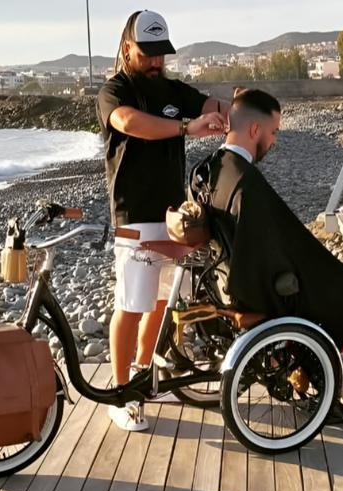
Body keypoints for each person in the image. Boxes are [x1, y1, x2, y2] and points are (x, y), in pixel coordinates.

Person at [194, 89, 343, 417]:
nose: (275, 140)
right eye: (274, 132)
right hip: (276, 286)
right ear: (255, 131)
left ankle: (318, 371)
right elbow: (270, 253)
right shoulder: (246, 182)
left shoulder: (208, 168)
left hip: (230, 278)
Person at [96, 10, 229, 431]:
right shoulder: (115, 91)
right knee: (131, 306)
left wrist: (237, 111)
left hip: (173, 217)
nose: (156, 61)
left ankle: (144, 372)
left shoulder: (173, 88)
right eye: (147, 53)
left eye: (161, 54)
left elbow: (211, 105)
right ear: (127, 49)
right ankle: (120, 393)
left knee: (163, 305)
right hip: (134, 216)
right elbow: (130, 123)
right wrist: (188, 128)